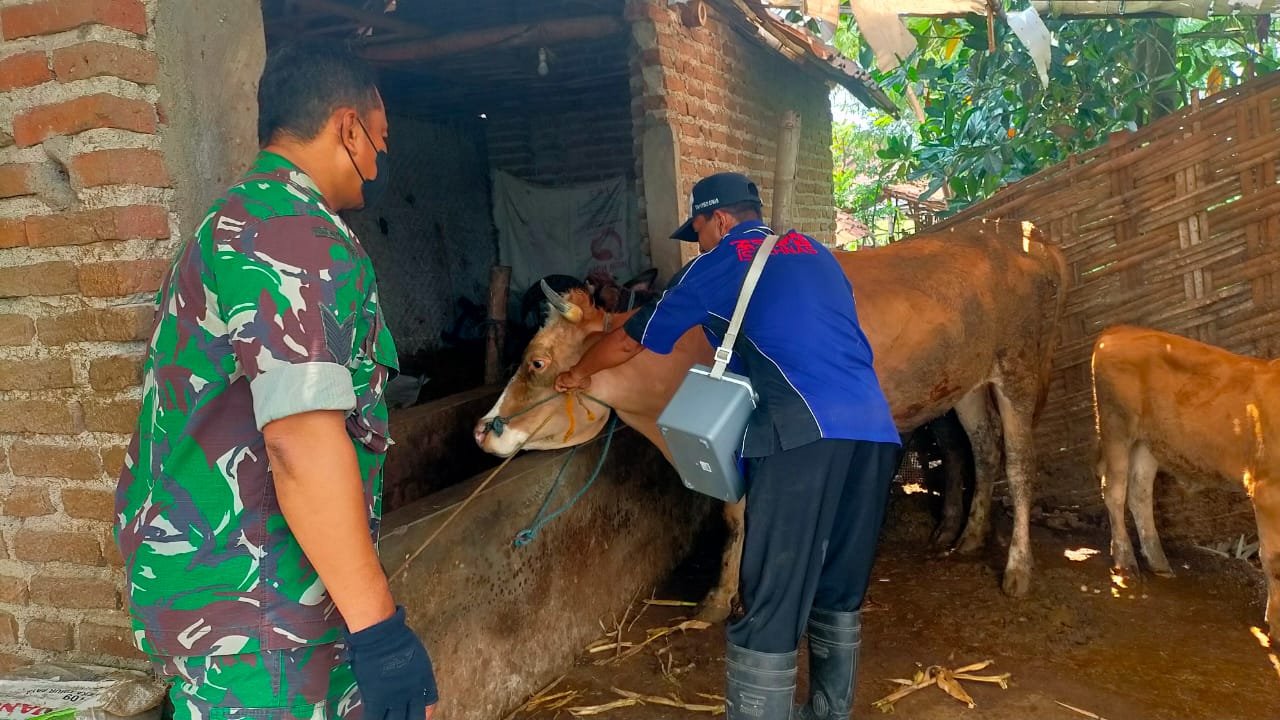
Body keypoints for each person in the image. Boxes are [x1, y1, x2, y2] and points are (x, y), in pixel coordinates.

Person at [113, 43, 437, 720]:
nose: (377, 168)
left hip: (239, 607)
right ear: (346, 128)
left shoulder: (234, 221)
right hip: (264, 619)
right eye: (378, 142)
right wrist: (381, 631)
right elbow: (301, 443)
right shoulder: (293, 236)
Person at [555, 172, 901, 720]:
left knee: (769, 600)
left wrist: (577, 372)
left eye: (697, 231)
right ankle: (828, 711)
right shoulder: (811, 249)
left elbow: (628, 341)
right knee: (837, 589)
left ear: (717, 219)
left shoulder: (717, 264)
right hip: (874, 431)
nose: (698, 244)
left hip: (800, 433)